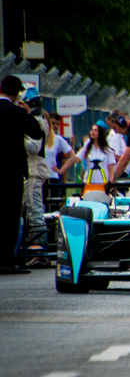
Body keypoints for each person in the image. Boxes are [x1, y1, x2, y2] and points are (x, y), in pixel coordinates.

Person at [0, 75, 46, 274]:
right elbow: (37, 133)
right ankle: (7, 260)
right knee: (10, 215)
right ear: (17, 92)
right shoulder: (17, 112)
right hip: (12, 171)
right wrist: (27, 114)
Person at [21, 89, 50, 261]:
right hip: (31, 170)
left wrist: (17, 138)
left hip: (34, 170)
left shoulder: (36, 121)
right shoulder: (38, 120)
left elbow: (34, 147)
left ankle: (40, 250)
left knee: (35, 211)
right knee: (29, 210)